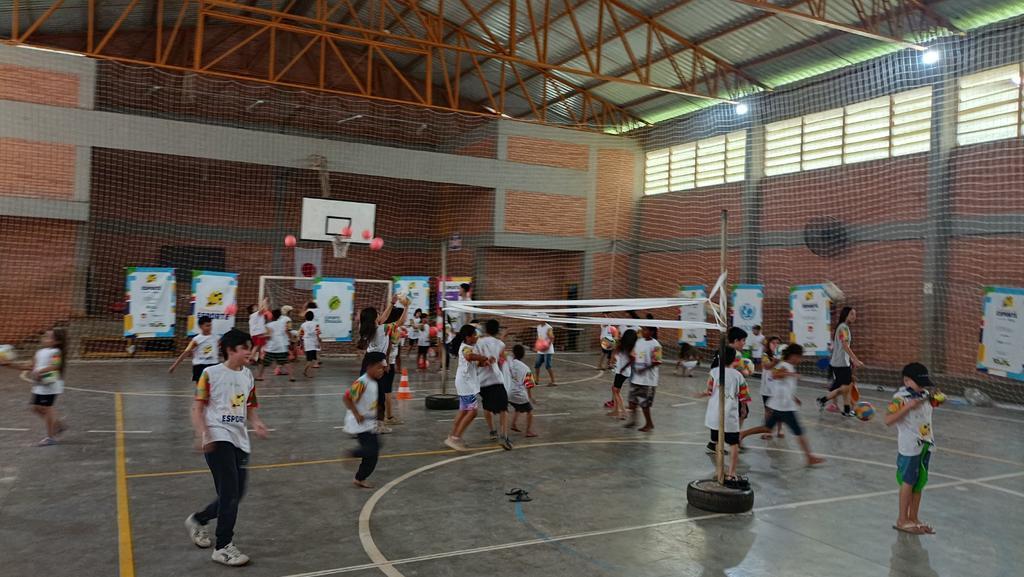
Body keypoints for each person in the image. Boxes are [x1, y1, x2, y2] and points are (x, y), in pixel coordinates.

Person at [184, 328, 268, 567]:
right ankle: (223, 547)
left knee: (235, 494)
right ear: (231, 350)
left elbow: (250, 405)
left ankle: (199, 520)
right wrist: (202, 433)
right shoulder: (210, 374)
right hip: (217, 436)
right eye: (244, 348)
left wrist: (256, 422)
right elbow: (197, 408)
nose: (249, 353)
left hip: (240, 439)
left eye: (250, 348)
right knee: (230, 492)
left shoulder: (248, 376)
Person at [741, 344, 825, 466]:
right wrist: (791, 375)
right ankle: (809, 457)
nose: (800, 360)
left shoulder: (787, 366)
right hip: (784, 407)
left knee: (767, 428)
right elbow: (775, 375)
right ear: (793, 356)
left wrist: (794, 398)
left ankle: (742, 434)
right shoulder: (784, 365)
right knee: (799, 431)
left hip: (779, 404)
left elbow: (785, 387)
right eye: (799, 357)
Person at [886, 363, 938, 535]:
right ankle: (902, 519)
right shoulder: (900, 398)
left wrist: (935, 400)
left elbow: (926, 410)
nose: (922, 387)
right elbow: (888, 420)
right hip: (909, 447)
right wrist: (908, 406)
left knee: (919, 482)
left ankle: (914, 518)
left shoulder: (923, 394)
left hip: (925, 444)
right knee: (908, 482)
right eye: (918, 383)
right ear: (906, 380)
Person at [1, 327, 68, 446]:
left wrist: (40, 371)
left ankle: (50, 437)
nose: (44, 338)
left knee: (46, 408)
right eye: (45, 336)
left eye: (48, 337)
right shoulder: (39, 352)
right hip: (40, 385)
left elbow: (55, 366)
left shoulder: (56, 352)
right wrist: (8, 364)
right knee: (36, 408)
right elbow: (28, 366)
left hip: (50, 385)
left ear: (57, 341)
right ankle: (57, 425)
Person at [357, 295, 409, 432]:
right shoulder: (383, 329)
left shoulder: (365, 330)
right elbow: (401, 321)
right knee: (380, 395)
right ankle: (379, 425)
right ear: (375, 319)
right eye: (378, 314)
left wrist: (391, 304)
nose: (381, 315)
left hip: (367, 361)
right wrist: (407, 306)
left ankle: (360, 424)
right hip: (377, 362)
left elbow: (383, 319)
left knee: (366, 394)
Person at [704, 346, 750, 482]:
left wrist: (703, 393)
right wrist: (743, 407)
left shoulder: (713, 372)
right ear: (734, 359)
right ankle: (731, 473)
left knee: (718, 442)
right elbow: (744, 395)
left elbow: (709, 390)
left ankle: (719, 471)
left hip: (715, 416)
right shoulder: (738, 375)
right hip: (729, 416)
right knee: (733, 444)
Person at [343, 351, 388, 488]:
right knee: (372, 450)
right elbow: (347, 398)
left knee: (374, 452)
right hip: (360, 423)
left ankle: (359, 478)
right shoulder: (362, 382)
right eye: (379, 367)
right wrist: (356, 413)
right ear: (369, 367)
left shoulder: (374, 381)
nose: (382, 371)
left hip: (369, 422)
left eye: (383, 368)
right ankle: (352, 453)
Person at [444, 324, 491, 451]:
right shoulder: (465, 348)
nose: (476, 337)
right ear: (468, 337)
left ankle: (452, 436)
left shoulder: (471, 347)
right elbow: (469, 357)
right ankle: (456, 438)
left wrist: (484, 362)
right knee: (473, 412)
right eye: (474, 335)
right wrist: (484, 357)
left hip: (466, 383)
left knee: (464, 410)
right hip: (465, 384)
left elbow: (474, 363)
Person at [818, 306, 864, 417]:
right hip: (840, 363)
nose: (854, 316)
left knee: (846, 388)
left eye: (855, 314)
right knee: (845, 388)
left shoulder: (844, 327)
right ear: (846, 314)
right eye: (852, 314)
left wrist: (851, 361)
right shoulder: (843, 328)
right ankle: (823, 400)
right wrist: (855, 359)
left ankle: (847, 410)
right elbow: (844, 345)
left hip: (842, 363)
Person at [476, 319, 512, 450]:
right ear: (497, 330)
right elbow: (502, 359)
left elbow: (476, 360)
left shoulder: (479, 342)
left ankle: (492, 431)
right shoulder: (500, 344)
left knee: (487, 407)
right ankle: (504, 436)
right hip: (495, 380)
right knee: (504, 409)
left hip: (481, 381)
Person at [625, 325, 661, 432]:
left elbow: (657, 361)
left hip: (648, 381)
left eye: (645, 329)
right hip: (636, 378)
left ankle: (649, 424)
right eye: (643, 329)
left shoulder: (656, 345)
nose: (643, 331)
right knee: (632, 402)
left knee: (645, 404)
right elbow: (633, 355)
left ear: (652, 332)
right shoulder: (639, 342)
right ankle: (633, 421)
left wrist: (644, 369)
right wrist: (626, 365)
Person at [169, 316, 220, 383]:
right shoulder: (196, 340)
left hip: (213, 365)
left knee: (213, 388)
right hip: (200, 366)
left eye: (210, 325)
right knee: (200, 389)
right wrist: (174, 366)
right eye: (207, 326)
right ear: (201, 326)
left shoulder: (216, 338)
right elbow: (186, 352)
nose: (209, 328)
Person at [255, 309, 294, 382]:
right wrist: (290, 339)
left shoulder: (269, 325)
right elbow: (287, 331)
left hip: (272, 347)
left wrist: (261, 336)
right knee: (286, 362)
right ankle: (292, 377)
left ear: (272, 315)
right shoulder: (283, 323)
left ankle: (259, 376)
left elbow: (269, 335)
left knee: (264, 363)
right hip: (281, 346)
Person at [507, 344, 537, 437]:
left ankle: (513, 424)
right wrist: (530, 397)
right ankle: (528, 431)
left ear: (513, 353)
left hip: (507, 392)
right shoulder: (526, 368)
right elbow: (529, 385)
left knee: (518, 407)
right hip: (518, 393)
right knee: (530, 411)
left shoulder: (509, 361)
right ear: (523, 355)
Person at [609, 329, 637, 420]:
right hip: (625, 371)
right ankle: (616, 410)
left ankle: (623, 412)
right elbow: (632, 359)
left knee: (615, 390)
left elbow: (614, 352)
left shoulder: (622, 345)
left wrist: (622, 367)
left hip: (621, 371)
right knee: (616, 389)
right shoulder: (630, 346)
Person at [759, 336, 784, 439]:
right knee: (768, 410)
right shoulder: (765, 355)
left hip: (779, 387)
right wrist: (775, 361)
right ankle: (768, 430)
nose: (775, 345)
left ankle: (780, 429)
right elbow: (766, 366)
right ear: (768, 345)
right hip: (767, 388)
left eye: (777, 343)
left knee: (779, 409)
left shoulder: (783, 356)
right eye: (773, 343)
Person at [299, 310, 321, 379]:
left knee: (312, 359)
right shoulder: (316, 324)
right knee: (310, 360)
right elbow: (317, 334)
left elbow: (300, 335)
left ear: (305, 317)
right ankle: (305, 372)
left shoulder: (303, 325)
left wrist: (301, 344)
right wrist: (318, 342)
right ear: (313, 317)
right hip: (313, 342)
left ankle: (309, 372)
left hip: (307, 343)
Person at [534, 321, 556, 386]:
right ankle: (536, 380)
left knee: (548, 366)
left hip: (548, 350)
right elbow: (539, 338)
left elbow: (552, 337)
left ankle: (553, 381)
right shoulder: (538, 327)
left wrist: (547, 346)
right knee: (537, 365)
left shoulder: (549, 327)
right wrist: (537, 346)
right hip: (541, 350)